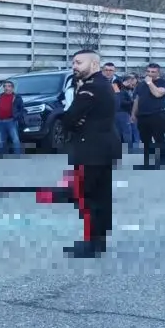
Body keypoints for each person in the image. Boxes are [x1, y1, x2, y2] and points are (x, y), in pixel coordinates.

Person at [60, 50, 120, 258]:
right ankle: (98, 241)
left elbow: (69, 118)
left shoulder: (91, 87)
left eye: (79, 62)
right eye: (73, 62)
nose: (74, 66)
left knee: (89, 197)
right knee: (101, 196)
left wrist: (73, 121)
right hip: (104, 147)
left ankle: (92, 243)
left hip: (91, 149)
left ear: (93, 64)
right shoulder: (104, 83)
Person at [131, 62, 165, 169]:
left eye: (153, 72)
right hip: (143, 116)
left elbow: (157, 94)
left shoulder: (163, 82)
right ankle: (147, 163)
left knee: (159, 139)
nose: (150, 74)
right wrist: (133, 114)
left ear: (158, 73)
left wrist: (150, 83)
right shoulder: (141, 85)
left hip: (157, 115)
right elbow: (137, 99)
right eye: (148, 71)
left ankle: (161, 162)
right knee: (145, 140)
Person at [0, 80, 25, 157]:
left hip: (11, 121)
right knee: (0, 141)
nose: (6, 88)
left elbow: (21, 109)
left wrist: (16, 117)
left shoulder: (17, 97)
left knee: (15, 140)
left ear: (12, 88)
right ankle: (1, 157)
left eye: (9, 86)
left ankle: (17, 156)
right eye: (5, 86)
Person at [114, 75, 137, 152]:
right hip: (123, 113)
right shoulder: (122, 91)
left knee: (121, 131)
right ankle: (128, 148)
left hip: (120, 113)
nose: (132, 84)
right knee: (126, 131)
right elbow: (122, 102)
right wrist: (132, 102)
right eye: (130, 82)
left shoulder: (124, 90)